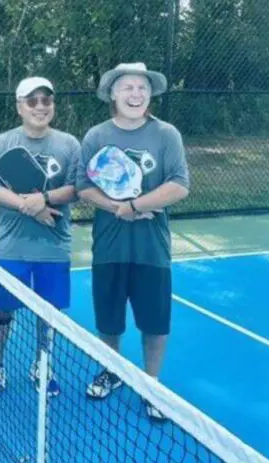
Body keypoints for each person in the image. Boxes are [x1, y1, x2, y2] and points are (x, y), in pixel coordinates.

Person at [75, 63, 190, 420]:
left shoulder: (166, 134)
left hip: (152, 248)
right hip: (109, 246)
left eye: (141, 88)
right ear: (113, 94)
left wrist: (138, 205)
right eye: (128, 88)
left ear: (149, 94)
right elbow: (83, 186)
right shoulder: (96, 136)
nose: (136, 94)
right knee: (109, 320)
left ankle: (151, 384)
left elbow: (179, 185)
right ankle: (112, 371)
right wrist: (117, 207)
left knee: (154, 322)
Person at [0, 77, 80, 400]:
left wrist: (44, 197)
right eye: (31, 101)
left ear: (53, 105)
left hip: (54, 247)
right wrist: (29, 206)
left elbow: (77, 188)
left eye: (46, 100)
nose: (40, 107)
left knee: (47, 313)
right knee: (0, 311)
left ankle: (42, 364)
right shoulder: (1, 144)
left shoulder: (69, 145)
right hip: (11, 247)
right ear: (19, 106)